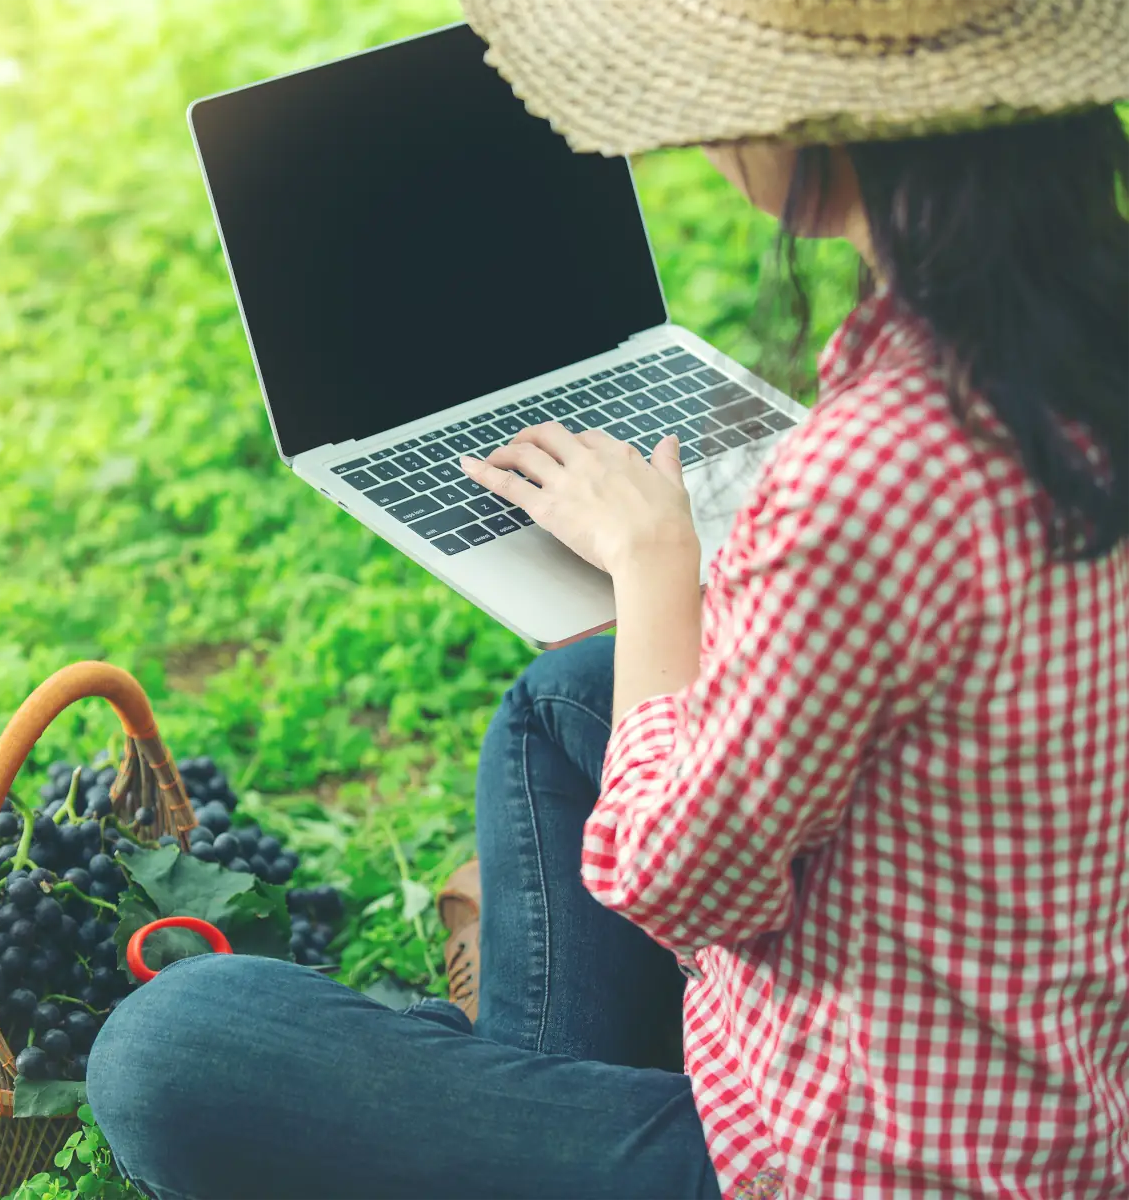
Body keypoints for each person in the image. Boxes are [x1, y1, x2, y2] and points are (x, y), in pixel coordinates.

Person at [86, 0, 1129, 1195]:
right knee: (567, 702)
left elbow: (682, 882)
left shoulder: (878, 473)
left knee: (178, 1045)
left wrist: (654, 563)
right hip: (1064, 1095)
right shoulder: (1069, 348)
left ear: (821, 126)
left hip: (853, 1158)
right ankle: (533, 1116)